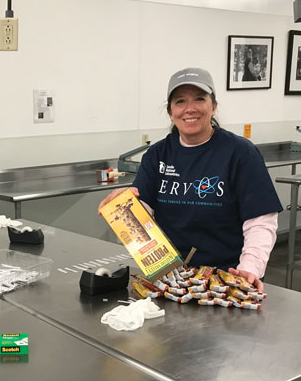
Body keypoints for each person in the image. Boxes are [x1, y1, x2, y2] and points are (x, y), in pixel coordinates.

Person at [99, 68, 282, 292]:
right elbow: (142, 209)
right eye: (180, 101)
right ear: (170, 111)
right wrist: (124, 207)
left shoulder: (240, 153)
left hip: (226, 278)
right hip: (170, 278)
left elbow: (260, 221)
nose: (190, 108)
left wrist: (249, 269)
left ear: (213, 106)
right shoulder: (157, 155)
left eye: (199, 99)